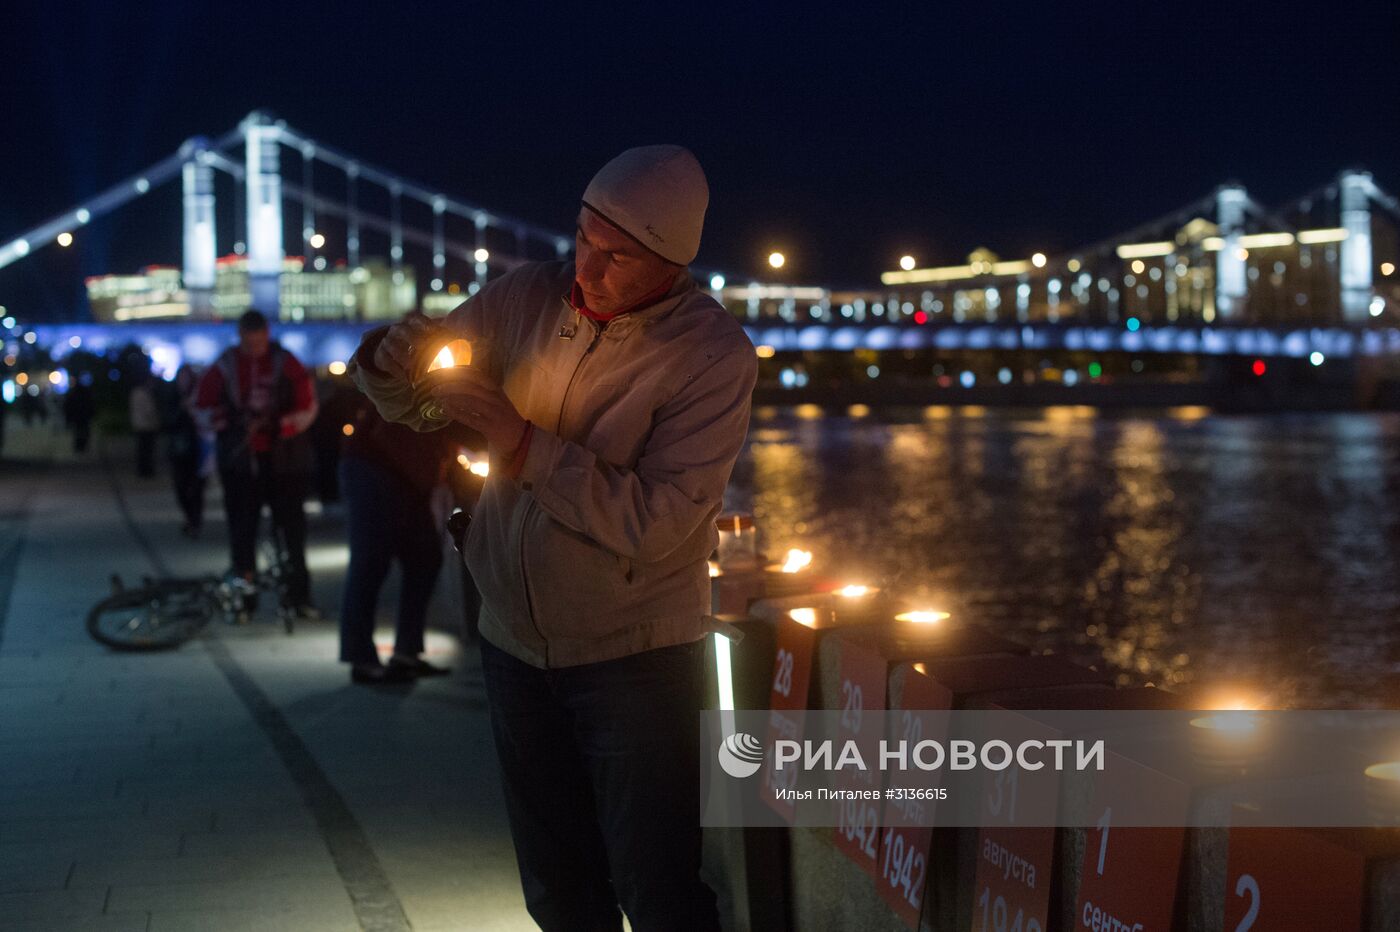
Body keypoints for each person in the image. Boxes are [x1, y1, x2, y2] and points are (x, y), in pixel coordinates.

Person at [349, 145, 756, 932]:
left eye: (617, 256)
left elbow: (663, 523)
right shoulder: (524, 297)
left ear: (671, 261)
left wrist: (520, 440)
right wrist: (389, 360)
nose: (589, 268)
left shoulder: (711, 354)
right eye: (582, 238)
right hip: (513, 643)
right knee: (558, 892)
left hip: (635, 657)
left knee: (659, 888)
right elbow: (419, 404)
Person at [196, 310, 319, 616]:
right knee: (241, 533)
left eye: (258, 341)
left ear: (266, 335)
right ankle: (244, 602)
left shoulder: (285, 362)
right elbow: (200, 405)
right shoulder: (225, 365)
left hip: (284, 462)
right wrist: (225, 422)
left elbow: (308, 404)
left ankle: (298, 598)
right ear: (239, 337)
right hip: (240, 461)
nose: (253, 348)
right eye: (247, 342)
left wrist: (282, 426)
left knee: (292, 532)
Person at [338, 391, 466, 684]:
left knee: (425, 559)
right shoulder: (419, 368)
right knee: (370, 562)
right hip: (374, 465)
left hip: (406, 473)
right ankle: (361, 659)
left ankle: (406, 653)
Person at [164, 364, 208, 537]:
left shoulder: (200, 395)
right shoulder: (172, 396)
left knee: (197, 487)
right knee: (181, 486)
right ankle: (189, 518)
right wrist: (181, 410)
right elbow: (165, 420)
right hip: (179, 448)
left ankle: (195, 521)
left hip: (198, 447)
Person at [129, 372, 160, 478]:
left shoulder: (135, 393)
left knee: (142, 449)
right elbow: (149, 411)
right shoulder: (143, 394)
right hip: (147, 425)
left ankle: (143, 470)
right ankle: (146, 470)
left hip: (139, 424)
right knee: (146, 450)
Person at [62, 374, 95, 454]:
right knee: (83, 431)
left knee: (78, 432)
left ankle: (79, 447)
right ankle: (83, 446)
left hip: (78, 416)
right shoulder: (85, 392)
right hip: (84, 416)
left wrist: (68, 418)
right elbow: (91, 404)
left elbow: (67, 406)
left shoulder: (73, 393)